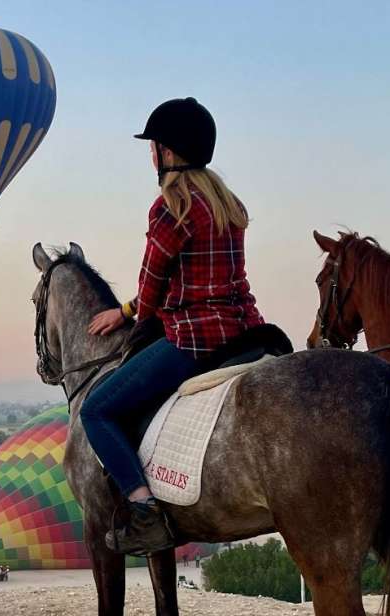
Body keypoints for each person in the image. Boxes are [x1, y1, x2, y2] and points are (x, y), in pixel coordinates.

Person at [81, 98, 265, 554]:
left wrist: (125, 314)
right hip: (244, 331)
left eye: (154, 147)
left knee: (96, 411)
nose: (151, 156)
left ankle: (144, 509)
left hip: (194, 340)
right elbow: (233, 280)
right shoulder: (229, 203)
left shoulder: (171, 206)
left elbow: (150, 295)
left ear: (166, 152)